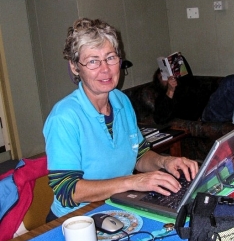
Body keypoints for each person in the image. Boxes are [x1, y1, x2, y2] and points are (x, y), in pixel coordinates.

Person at [43, 18, 198, 221]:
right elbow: (67, 191)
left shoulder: (121, 101)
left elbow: (139, 154)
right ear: (74, 67)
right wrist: (133, 182)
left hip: (116, 208)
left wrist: (165, 161)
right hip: (75, 220)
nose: (105, 69)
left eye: (110, 57)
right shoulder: (64, 118)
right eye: (92, 61)